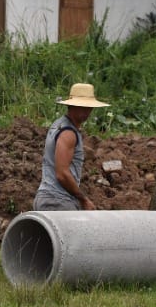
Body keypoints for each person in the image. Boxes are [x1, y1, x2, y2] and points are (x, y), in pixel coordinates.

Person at [34, 82, 109, 211]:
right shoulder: (68, 133)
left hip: (49, 199)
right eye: (82, 106)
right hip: (58, 201)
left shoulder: (58, 125)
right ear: (71, 105)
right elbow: (62, 174)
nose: (87, 111)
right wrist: (83, 199)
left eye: (89, 107)